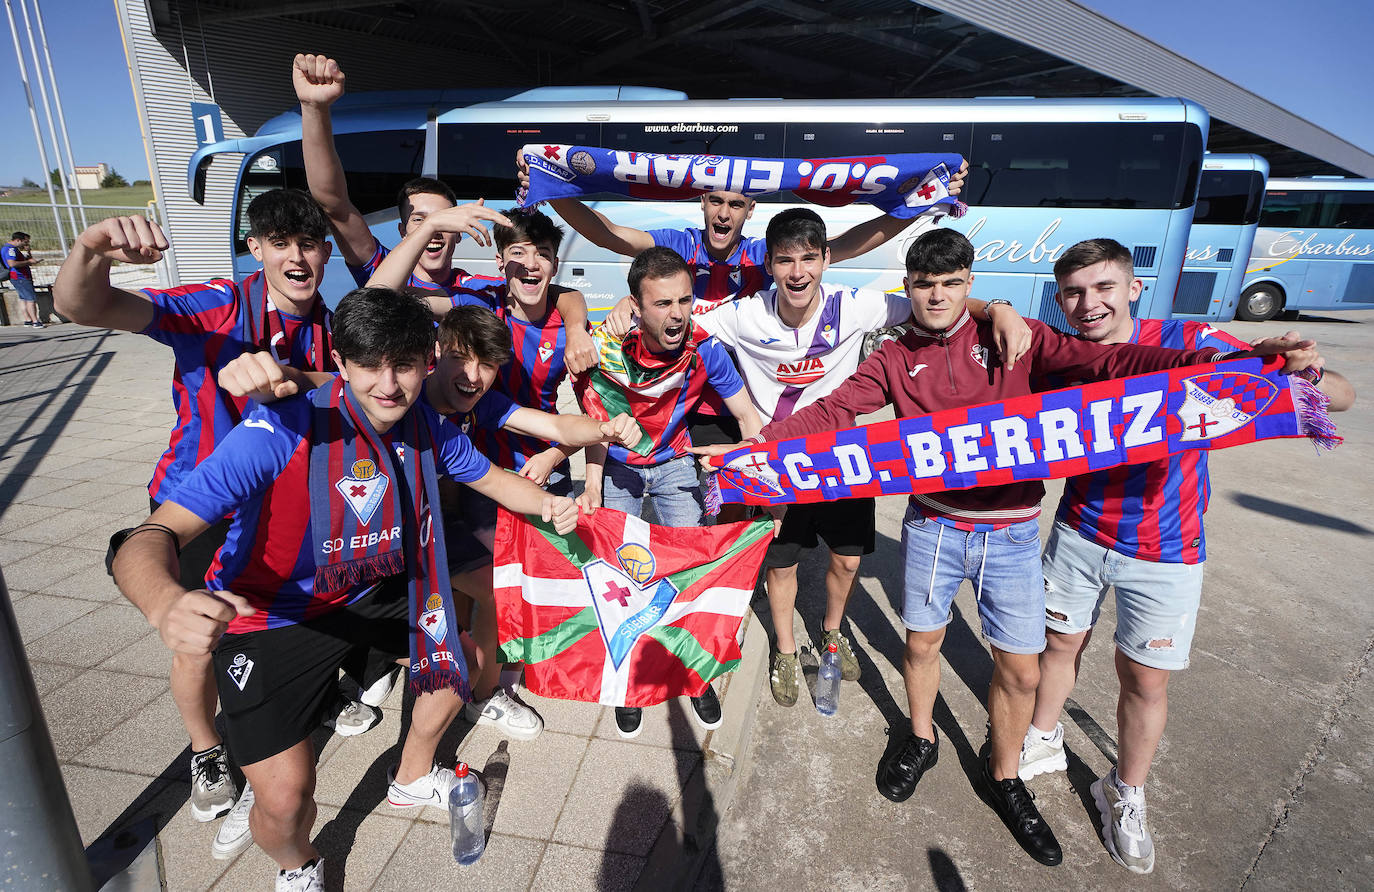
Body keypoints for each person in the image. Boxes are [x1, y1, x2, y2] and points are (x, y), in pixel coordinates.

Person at [731, 227, 1321, 866]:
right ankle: (922, 738)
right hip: (932, 525)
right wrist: (760, 447)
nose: (937, 297)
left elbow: (1111, 365)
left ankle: (1006, 775)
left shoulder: (1016, 337)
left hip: (1012, 531)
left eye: (951, 284)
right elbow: (835, 408)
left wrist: (1228, 364)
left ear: (970, 285)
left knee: (1021, 668)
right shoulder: (894, 356)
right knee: (921, 645)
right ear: (909, 288)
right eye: (924, 285)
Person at [111, 287, 579, 891]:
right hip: (275, 615)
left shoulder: (427, 425)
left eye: (403, 365)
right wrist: (164, 602)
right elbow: (151, 535)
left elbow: (491, 478)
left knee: (462, 655)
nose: (388, 384)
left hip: (367, 588)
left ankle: (411, 777)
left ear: (428, 360)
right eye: (368, 365)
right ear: (340, 360)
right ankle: (297, 864)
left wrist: (549, 505)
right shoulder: (280, 428)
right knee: (285, 807)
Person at [1019, 238, 1355, 873]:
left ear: (1134, 288)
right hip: (1080, 529)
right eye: (1074, 293)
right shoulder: (1064, 353)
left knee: (1145, 679)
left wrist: (1301, 369)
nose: (1089, 304)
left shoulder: (1188, 339)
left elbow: (1338, 397)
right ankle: (1043, 735)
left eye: (1103, 288)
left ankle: (1125, 790)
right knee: (1059, 646)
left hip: (1168, 548)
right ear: (1059, 300)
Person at [52, 191, 376, 833]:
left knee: (295, 608)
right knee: (200, 637)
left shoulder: (330, 324)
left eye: (309, 244)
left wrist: (299, 378)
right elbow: (84, 306)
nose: (297, 257)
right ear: (255, 248)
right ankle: (206, 750)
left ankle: (318, 690)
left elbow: (350, 390)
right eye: (279, 243)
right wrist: (91, 249)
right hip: (198, 503)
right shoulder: (220, 305)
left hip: (281, 506)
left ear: (325, 252)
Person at [690, 209, 1030, 710]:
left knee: (848, 560)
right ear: (770, 264)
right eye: (785, 261)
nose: (798, 273)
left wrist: (999, 308)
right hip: (776, 457)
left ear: (827, 259)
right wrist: (621, 309)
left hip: (841, 459)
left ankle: (832, 632)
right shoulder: (743, 314)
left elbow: (936, 303)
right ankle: (785, 648)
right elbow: (672, 321)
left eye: (809, 258)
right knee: (781, 563)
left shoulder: (855, 305)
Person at [518, 150, 968, 465]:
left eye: (735, 204)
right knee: (702, 503)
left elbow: (846, 245)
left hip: (741, 401)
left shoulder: (764, 255)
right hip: (687, 398)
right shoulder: (678, 245)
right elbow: (610, 235)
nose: (724, 213)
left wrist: (919, 204)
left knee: (744, 499)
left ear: (749, 210)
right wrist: (551, 187)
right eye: (716, 200)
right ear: (702, 201)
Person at [292, 51, 597, 374]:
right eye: (420, 221)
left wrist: (576, 325)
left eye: (443, 221)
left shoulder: (474, 289)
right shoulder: (381, 268)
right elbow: (333, 203)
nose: (433, 231)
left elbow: (555, 292)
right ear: (403, 232)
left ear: (458, 231)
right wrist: (314, 108)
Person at [574, 246, 765, 737]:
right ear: (635, 307)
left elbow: (747, 416)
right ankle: (630, 678)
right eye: (662, 303)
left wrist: (764, 475)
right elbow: (595, 427)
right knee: (621, 576)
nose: (677, 313)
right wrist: (592, 484)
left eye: (684, 300)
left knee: (688, 571)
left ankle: (694, 674)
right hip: (618, 468)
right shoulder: (605, 351)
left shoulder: (705, 349)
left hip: (676, 463)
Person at [3, 231, 43, 328]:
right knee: (30, 299)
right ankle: (35, 321)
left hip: (17, 277)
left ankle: (27, 320)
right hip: (21, 277)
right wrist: (29, 262)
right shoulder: (11, 249)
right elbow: (12, 263)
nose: (26, 244)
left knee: (23, 298)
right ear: (18, 240)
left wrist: (28, 253)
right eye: (25, 242)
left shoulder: (9, 248)